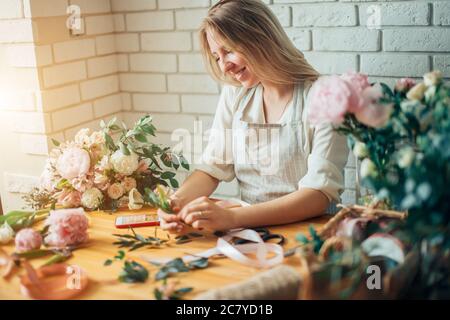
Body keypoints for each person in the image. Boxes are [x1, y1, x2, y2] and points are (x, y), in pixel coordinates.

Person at [158, 0, 349, 233]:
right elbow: (212, 168)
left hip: (313, 234)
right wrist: (175, 203)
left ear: (259, 38)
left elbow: (318, 195)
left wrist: (232, 218)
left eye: (228, 51)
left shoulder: (325, 96)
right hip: (250, 232)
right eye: (218, 57)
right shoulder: (236, 94)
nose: (224, 67)